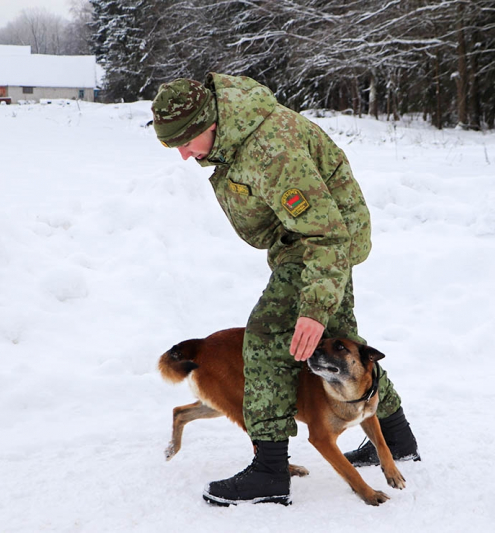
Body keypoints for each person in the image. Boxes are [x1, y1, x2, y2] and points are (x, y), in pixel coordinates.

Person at [151, 73, 419, 506]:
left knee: (265, 340)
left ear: (210, 121)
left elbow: (326, 233)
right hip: (308, 242)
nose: (183, 154)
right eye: (170, 145)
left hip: (319, 245)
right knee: (344, 340)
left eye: (184, 141)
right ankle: (398, 437)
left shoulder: (270, 150)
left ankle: (269, 471)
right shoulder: (238, 134)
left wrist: (312, 308)